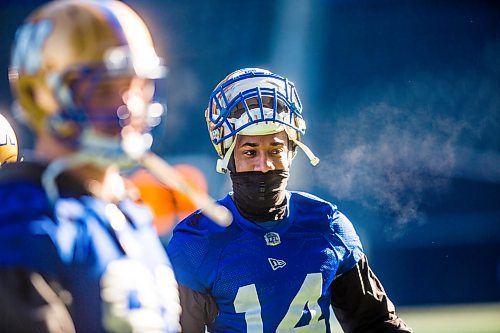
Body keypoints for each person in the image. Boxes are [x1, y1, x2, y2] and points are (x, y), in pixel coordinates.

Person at [167, 68, 413, 332]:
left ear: (293, 151)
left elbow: (376, 324)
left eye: (275, 150)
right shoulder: (196, 243)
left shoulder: (328, 225)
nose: (264, 165)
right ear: (228, 157)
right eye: (250, 151)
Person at [0, 1, 181, 332]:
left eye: (137, 86)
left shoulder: (126, 212)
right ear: (41, 94)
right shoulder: (23, 223)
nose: (128, 105)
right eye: (104, 89)